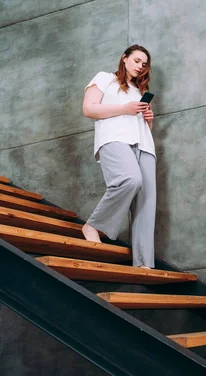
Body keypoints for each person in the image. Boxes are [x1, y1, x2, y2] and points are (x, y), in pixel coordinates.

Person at [81, 45, 156, 269]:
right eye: (136, 61)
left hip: (144, 145)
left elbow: (142, 128)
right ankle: (93, 226)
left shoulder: (139, 91)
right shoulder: (104, 78)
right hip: (114, 139)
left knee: (146, 204)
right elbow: (89, 109)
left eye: (144, 64)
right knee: (130, 180)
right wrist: (125, 108)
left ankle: (144, 265)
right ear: (124, 58)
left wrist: (148, 118)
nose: (140, 66)